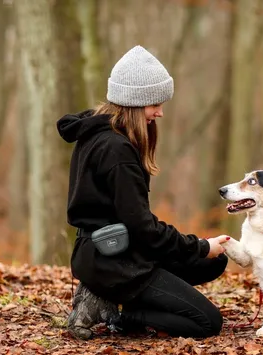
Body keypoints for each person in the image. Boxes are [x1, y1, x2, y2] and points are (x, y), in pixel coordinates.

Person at [57, 45, 230, 340]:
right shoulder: (117, 149)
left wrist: (203, 250)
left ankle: (105, 296)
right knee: (207, 323)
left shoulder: (100, 134)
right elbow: (143, 229)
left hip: (109, 252)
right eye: (154, 104)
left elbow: (135, 224)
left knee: (216, 260)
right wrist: (199, 246)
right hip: (115, 263)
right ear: (135, 102)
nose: (160, 112)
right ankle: (122, 315)